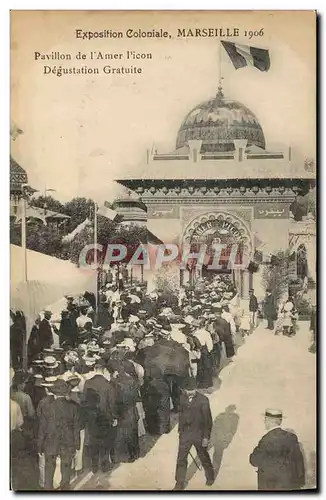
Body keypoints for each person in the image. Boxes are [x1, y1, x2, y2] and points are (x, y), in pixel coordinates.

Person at [37, 379, 81, 490]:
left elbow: (42, 428)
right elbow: (76, 428)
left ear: (54, 393)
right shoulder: (74, 407)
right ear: (66, 392)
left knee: (49, 469)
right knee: (66, 470)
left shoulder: (47, 407)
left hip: (50, 442)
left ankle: (48, 490)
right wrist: (77, 445)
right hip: (68, 442)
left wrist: (40, 446)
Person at [174, 377, 214, 490]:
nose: (190, 392)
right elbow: (181, 415)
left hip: (199, 434)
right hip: (185, 435)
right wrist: (180, 431)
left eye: (192, 389)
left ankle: (210, 476)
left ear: (196, 389)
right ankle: (179, 482)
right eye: (188, 390)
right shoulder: (182, 398)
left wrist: (206, 437)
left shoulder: (203, 400)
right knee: (181, 458)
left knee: (203, 456)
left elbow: (208, 421)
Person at [249, 408, 305, 491]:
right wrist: (300, 482)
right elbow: (298, 460)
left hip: (269, 485)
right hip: (288, 484)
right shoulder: (291, 437)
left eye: (265, 419)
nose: (264, 422)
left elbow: (254, 461)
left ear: (269, 421)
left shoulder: (266, 439)